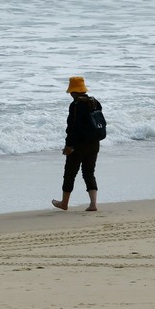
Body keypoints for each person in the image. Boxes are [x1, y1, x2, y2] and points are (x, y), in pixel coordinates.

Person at [52, 76, 103, 211]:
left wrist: (68, 145)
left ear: (74, 91)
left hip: (78, 145)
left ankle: (64, 203)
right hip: (94, 143)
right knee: (89, 173)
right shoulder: (94, 102)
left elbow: (72, 127)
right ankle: (93, 204)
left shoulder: (76, 105)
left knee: (70, 173)